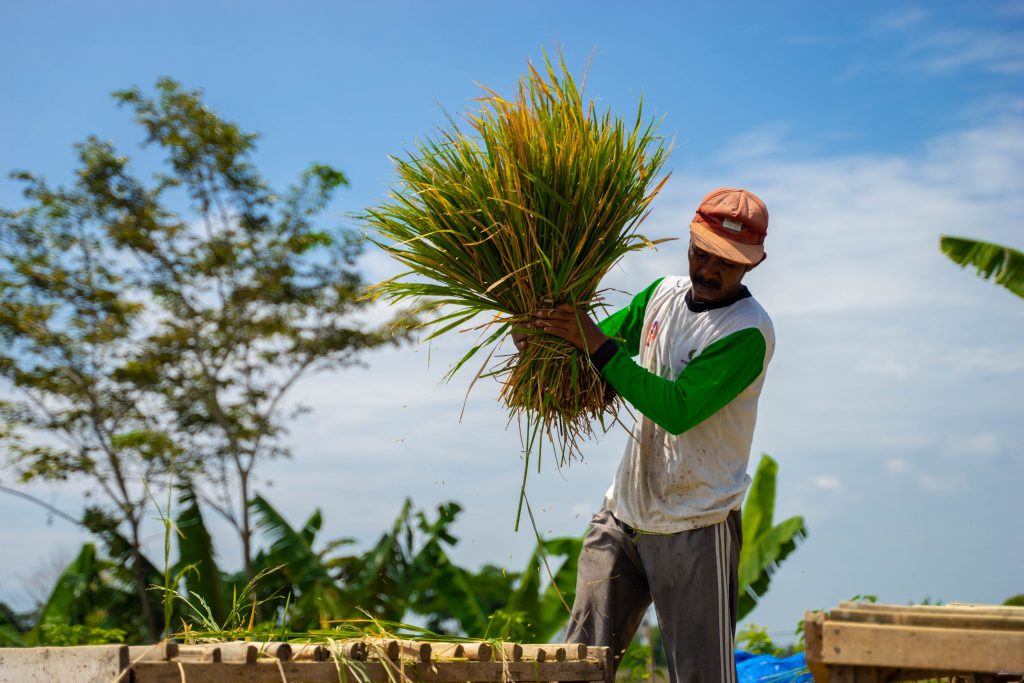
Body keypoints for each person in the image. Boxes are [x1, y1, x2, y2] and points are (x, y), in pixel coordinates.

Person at [515, 187, 775, 683]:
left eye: (726, 262)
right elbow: (593, 350)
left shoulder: (746, 332)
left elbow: (676, 410)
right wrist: (539, 331)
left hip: (695, 524)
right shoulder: (660, 296)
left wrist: (591, 341)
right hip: (624, 514)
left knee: (699, 677)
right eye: (702, 253)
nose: (708, 269)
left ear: (750, 266)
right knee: (578, 667)